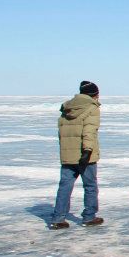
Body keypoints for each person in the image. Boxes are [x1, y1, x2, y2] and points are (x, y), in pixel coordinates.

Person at [50, 81, 104, 229]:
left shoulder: (67, 108)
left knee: (65, 186)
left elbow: (62, 131)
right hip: (85, 156)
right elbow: (89, 131)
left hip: (67, 154)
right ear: (94, 95)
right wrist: (87, 152)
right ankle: (89, 217)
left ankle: (58, 218)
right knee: (90, 186)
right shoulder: (92, 108)